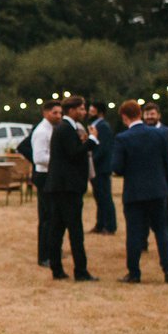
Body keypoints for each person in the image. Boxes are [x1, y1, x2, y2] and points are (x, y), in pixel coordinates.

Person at [113, 101, 168, 284]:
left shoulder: (123, 138)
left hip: (134, 192)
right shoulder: (159, 134)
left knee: (134, 233)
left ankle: (134, 272)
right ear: (140, 113)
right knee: (161, 230)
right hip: (158, 190)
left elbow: (117, 167)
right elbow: (167, 163)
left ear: (124, 117)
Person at [45, 96, 98, 281]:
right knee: (74, 230)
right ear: (72, 110)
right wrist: (91, 141)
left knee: (57, 228)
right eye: (81, 109)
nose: (84, 113)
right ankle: (80, 270)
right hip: (67, 187)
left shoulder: (65, 128)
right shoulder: (66, 129)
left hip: (60, 186)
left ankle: (57, 268)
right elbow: (74, 154)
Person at [141, 102, 168, 252]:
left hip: (164, 177)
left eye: (152, 114)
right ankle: (142, 243)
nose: (149, 117)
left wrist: (159, 155)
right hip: (144, 178)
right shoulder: (140, 131)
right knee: (143, 213)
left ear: (158, 115)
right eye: (147, 114)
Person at [28, 102, 61, 267]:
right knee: (47, 217)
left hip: (49, 174)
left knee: (52, 216)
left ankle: (51, 251)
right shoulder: (42, 132)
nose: (58, 116)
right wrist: (60, 161)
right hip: (44, 175)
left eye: (60, 113)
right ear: (46, 113)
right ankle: (44, 255)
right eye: (55, 113)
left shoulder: (50, 129)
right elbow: (39, 158)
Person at [87, 102, 117, 235]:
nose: (89, 113)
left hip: (101, 168)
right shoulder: (95, 126)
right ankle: (100, 224)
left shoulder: (103, 126)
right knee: (99, 196)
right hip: (97, 167)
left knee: (105, 197)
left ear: (100, 113)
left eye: (92, 111)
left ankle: (110, 225)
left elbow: (103, 148)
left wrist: (91, 162)